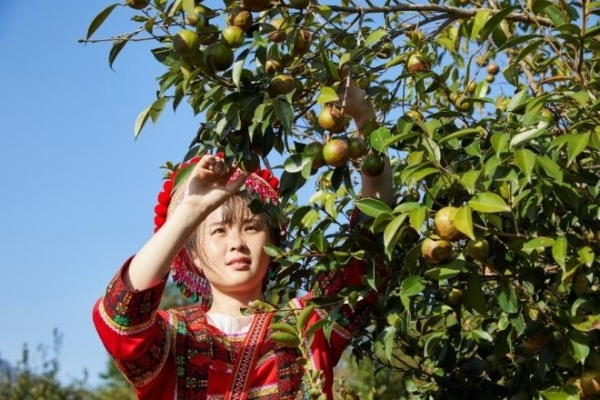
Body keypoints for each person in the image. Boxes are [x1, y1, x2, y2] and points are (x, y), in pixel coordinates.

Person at [92, 82, 393, 400]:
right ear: (191, 255)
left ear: (273, 242)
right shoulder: (173, 339)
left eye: (251, 227)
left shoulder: (307, 324)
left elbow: (369, 246)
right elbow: (121, 318)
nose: (236, 242)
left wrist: (364, 117)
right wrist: (189, 212)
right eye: (218, 231)